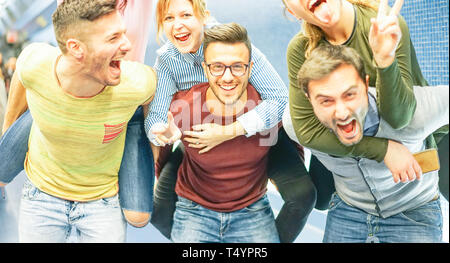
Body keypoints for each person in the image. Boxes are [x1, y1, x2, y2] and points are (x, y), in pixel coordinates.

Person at [147, 0, 315, 243]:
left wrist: (227, 132)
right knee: (160, 209)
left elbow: (279, 99)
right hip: (200, 139)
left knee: (302, 195)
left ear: (204, 16)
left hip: (259, 133)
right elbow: (160, 116)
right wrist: (161, 139)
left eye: (186, 15)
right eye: (168, 18)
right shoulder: (167, 60)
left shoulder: (229, 45)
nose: (178, 25)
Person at [2, 0, 156, 242]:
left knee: (138, 216)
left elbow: (151, 96)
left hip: (119, 105)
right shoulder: (38, 61)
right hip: (43, 190)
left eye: (123, 35)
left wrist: (155, 131)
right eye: (114, 37)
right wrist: (9, 128)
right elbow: (24, 70)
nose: (126, 44)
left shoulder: (137, 80)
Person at [282, 0, 449, 209]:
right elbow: (306, 129)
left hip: (410, 130)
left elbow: (400, 120)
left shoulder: (382, 24)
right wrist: (382, 149)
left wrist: (384, 59)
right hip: (348, 130)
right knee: (321, 199)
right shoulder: (300, 49)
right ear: (292, 12)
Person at [283, 44, 447, 242]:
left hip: (414, 210)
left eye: (350, 94)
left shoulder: (416, 114)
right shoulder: (295, 125)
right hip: (348, 210)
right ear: (308, 100)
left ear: (366, 83)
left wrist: (435, 139)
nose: (342, 113)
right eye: (326, 101)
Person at [167, 22, 280, 242]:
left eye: (237, 66)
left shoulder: (267, 108)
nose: (227, 77)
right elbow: (160, 143)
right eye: (217, 67)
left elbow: (290, 146)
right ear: (205, 68)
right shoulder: (183, 108)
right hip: (194, 209)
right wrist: (161, 138)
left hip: (252, 209)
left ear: (250, 67)